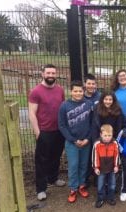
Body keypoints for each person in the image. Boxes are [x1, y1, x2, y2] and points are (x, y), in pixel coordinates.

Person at [28, 64, 66, 201]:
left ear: (56, 74)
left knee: (56, 156)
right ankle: (41, 188)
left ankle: (53, 178)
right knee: (42, 160)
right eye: (48, 73)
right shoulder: (36, 91)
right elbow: (32, 113)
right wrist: (37, 132)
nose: (51, 75)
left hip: (59, 130)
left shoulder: (60, 90)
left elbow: (63, 108)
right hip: (44, 131)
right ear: (42, 74)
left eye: (53, 73)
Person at [58, 80, 93, 203]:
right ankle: (73, 188)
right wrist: (73, 139)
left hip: (85, 142)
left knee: (83, 165)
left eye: (80, 91)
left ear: (83, 91)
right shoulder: (64, 105)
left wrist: (87, 139)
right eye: (75, 91)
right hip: (72, 142)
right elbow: (62, 125)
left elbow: (92, 124)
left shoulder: (88, 104)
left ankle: (82, 186)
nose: (78, 93)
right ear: (71, 91)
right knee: (73, 166)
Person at [92, 124, 120, 208]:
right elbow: (94, 156)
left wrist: (116, 165)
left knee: (112, 184)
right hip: (101, 169)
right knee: (100, 185)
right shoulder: (97, 144)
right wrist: (96, 167)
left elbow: (117, 155)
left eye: (109, 135)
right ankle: (100, 199)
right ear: (101, 134)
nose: (107, 137)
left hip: (112, 168)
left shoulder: (115, 143)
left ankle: (111, 197)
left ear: (112, 134)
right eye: (105, 135)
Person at [84, 73, 101, 186]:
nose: (91, 86)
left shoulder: (100, 96)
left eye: (93, 84)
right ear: (85, 84)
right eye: (89, 83)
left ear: (96, 85)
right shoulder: (80, 96)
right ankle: (84, 179)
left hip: (96, 130)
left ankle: (97, 178)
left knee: (97, 154)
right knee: (86, 157)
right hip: (84, 131)